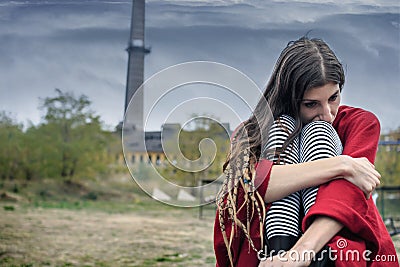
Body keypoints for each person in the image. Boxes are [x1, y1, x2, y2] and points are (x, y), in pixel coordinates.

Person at [214, 37, 398, 266]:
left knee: (319, 130)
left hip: (336, 249)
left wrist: (300, 253)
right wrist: (343, 165)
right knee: (282, 129)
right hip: (270, 251)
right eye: (311, 104)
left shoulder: (361, 123)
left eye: (333, 97)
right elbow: (255, 185)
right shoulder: (250, 133)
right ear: (289, 98)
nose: (328, 113)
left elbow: (347, 194)